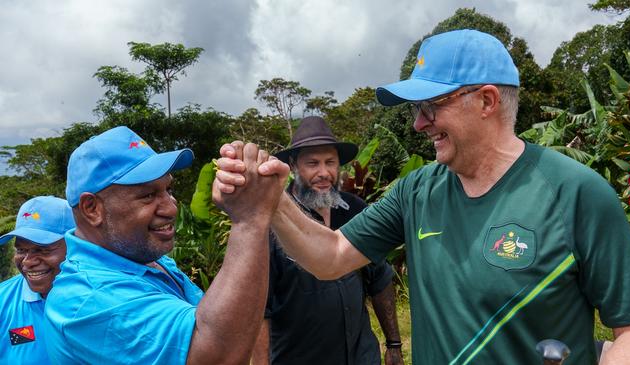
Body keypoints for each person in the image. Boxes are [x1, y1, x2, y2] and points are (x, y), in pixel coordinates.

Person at [214, 30, 630, 364]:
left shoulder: (575, 193)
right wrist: (271, 200)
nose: (419, 124)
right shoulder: (416, 190)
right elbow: (331, 256)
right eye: (416, 110)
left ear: (486, 101)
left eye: (430, 106)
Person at [43, 126, 288, 364]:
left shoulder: (143, 258)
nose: (171, 207)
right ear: (92, 209)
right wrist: (249, 220)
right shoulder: (89, 297)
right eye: (148, 195)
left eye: (168, 189)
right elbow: (217, 357)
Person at [251, 116, 404, 365]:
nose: (324, 173)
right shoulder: (274, 223)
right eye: (313, 163)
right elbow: (260, 311)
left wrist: (394, 344)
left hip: (362, 356)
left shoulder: (355, 209)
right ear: (293, 165)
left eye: (330, 162)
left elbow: (380, 280)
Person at [0, 196, 75, 364]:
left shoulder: (105, 298)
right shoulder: (3, 301)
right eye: (21, 250)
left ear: (75, 244)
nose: (27, 261)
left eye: (42, 249)